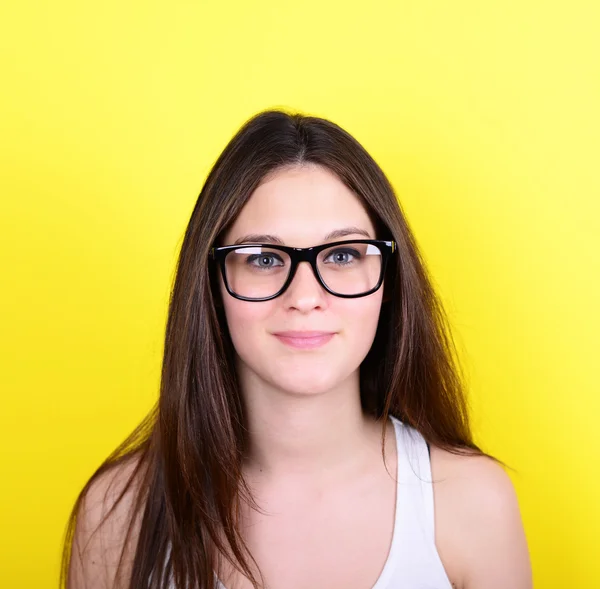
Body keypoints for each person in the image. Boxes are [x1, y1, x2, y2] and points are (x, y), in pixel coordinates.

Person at [61, 108, 532, 589]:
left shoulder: (473, 503)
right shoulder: (116, 516)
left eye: (343, 255)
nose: (305, 297)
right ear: (211, 284)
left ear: (388, 281)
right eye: (264, 258)